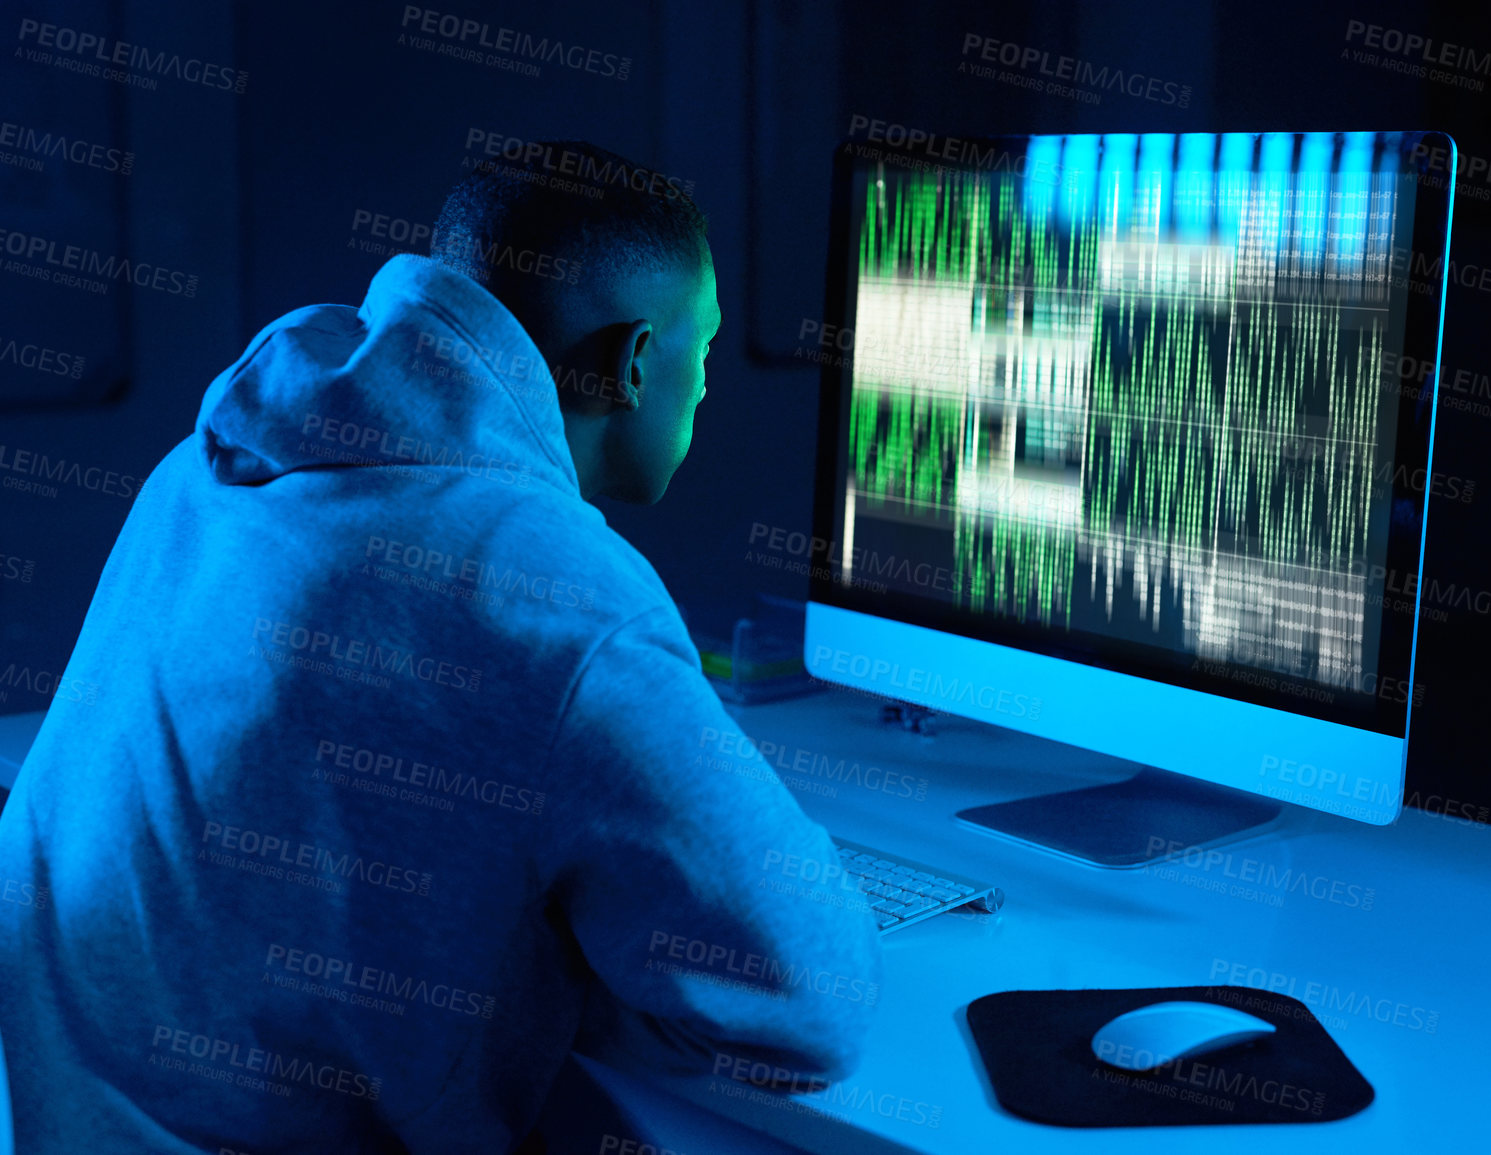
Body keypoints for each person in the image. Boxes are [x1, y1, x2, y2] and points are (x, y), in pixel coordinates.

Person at [0, 140, 882, 1153]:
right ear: (636, 362)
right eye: (706, 352)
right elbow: (821, 1004)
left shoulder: (205, 471)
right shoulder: (555, 592)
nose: (708, 391)